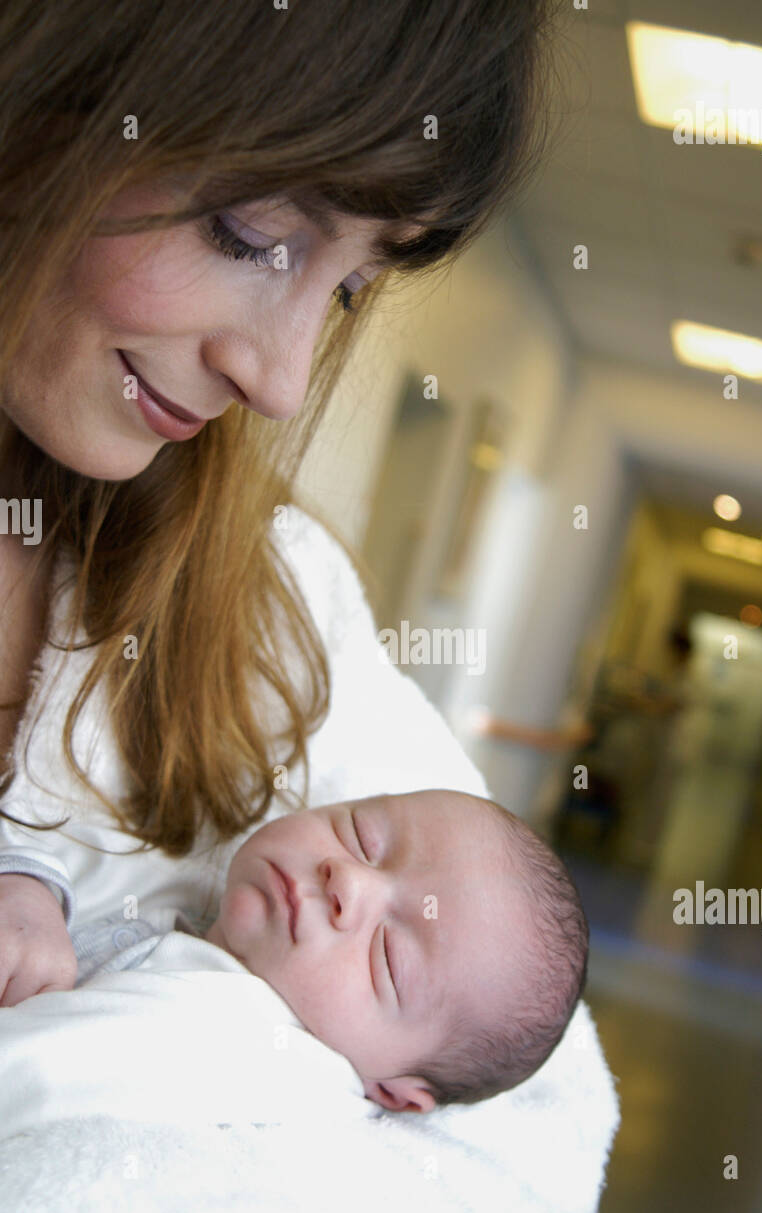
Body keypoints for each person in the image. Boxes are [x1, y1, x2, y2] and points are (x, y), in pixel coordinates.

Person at [0, 2, 557, 997]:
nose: (284, 384)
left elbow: (505, 1051)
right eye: (249, 230)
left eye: (349, 290)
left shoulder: (278, 597)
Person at [0, 788, 589, 1111]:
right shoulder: (196, 888)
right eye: (363, 835)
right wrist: (29, 886)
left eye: (388, 957)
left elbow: (31, 1073)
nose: (348, 880)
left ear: (392, 1091)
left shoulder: (240, 1042)